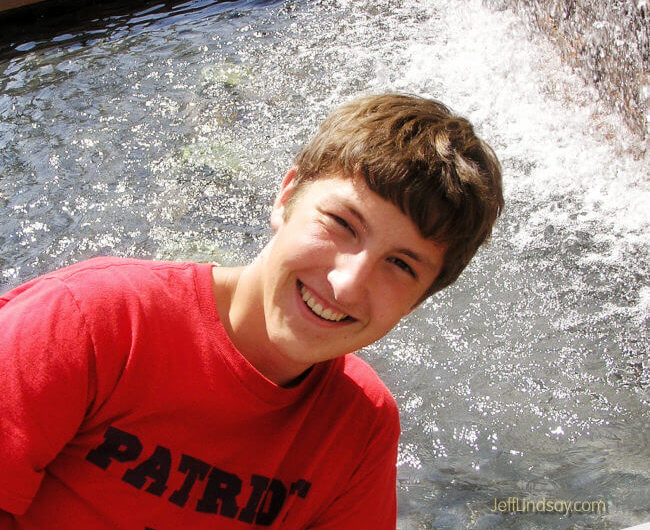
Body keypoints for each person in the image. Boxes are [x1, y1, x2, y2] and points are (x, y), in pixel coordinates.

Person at [0, 93, 503, 529]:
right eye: (342, 223)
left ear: (417, 301)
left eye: (399, 264)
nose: (347, 284)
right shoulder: (91, 321)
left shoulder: (361, 427)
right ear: (286, 196)